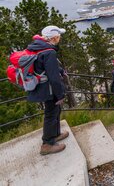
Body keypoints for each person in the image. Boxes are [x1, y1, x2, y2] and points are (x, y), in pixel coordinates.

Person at [27, 25, 68, 155]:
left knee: (55, 110)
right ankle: (47, 144)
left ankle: (55, 134)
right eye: (59, 35)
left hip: (42, 87)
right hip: (49, 89)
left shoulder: (38, 47)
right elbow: (54, 78)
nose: (60, 38)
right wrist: (60, 94)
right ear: (54, 37)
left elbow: (43, 67)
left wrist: (60, 70)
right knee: (51, 113)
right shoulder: (49, 52)